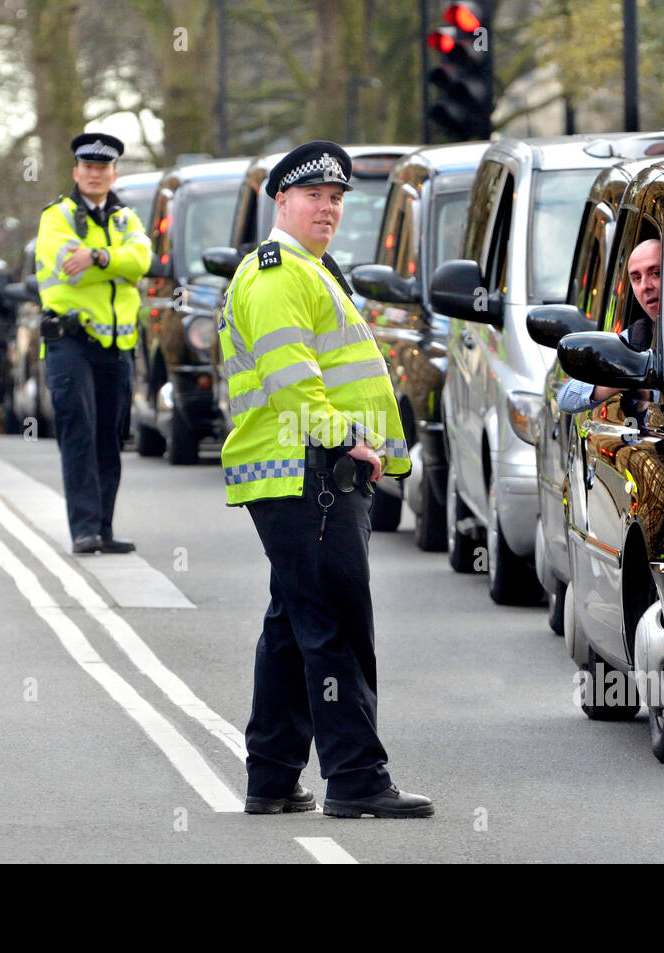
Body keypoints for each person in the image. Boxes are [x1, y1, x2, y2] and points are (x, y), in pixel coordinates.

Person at [219, 140, 432, 819]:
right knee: (334, 623)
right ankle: (356, 777)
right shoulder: (281, 272)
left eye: (337, 198)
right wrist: (346, 439)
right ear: (282, 201)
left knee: (294, 622)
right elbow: (292, 378)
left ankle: (274, 774)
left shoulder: (310, 270)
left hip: (302, 472)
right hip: (307, 470)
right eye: (315, 196)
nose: (328, 208)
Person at [33, 131, 150, 554]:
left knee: (110, 437)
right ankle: (83, 529)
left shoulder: (126, 219)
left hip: (116, 344)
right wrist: (116, 264)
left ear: (114, 173)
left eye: (103, 168)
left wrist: (100, 257)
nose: (95, 174)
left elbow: (142, 262)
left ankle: (103, 527)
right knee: (78, 432)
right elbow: (70, 269)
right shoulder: (55, 216)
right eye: (88, 167)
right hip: (70, 340)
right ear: (75, 172)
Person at [559, 237, 660, 414]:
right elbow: (567, 398)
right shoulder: (636, 338)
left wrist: (656, 396)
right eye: (636, 278)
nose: (645, 286)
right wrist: (620, 380)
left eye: (656, 273)